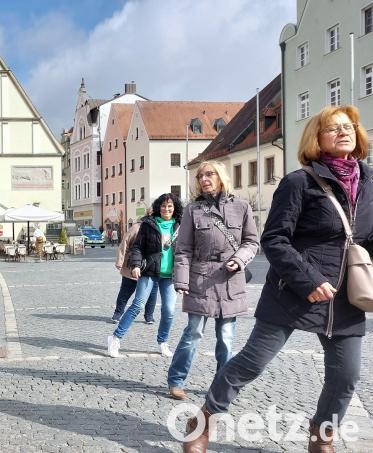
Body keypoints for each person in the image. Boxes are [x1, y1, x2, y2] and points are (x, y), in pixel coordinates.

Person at [182, 105, 373, 453]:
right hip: (293, 292)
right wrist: (307, 279)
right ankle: (205, 417)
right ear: (316, 139)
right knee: (253, 362)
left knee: (345, 378)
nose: (344, 132)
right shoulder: (299, 182)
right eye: (333, 129)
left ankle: (321, 436)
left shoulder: (371, 182)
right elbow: (274, 239)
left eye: (349, 127)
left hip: (345, 298)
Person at [167, 161, 258, 401]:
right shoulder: (192, 210)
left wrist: (239, 260)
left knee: (226, 337)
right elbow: (183, 248)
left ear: (221, 177)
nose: (204, 179)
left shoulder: (242, 206)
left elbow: (251, 242)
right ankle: (176, 381)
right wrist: (182, 281)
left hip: (230, 280)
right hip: (200, 278)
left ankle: (222, 385)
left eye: (210, 174)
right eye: (200, 176)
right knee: (193, 332)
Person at [108, 193, 182, 358]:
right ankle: (115, 338)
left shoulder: (180, 226)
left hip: (170, 276)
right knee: (137, 305)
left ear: (174, 207)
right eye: (163, 206)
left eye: (170, 206)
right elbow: (137, 247)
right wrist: (135, 265)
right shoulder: (148, 224)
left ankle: (163, 342)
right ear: (158, 207)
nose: (166, 209)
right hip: (149, 272)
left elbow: (186, 252)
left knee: (169, 310)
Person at [110, 221, 158, 325]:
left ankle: (149, 316)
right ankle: (118, 313)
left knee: (151, 294)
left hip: (151, 267)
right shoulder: (137, 227)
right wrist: (120, 261)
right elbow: (124, 243)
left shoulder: (160, 228)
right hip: (132, 265)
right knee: (125, 291)